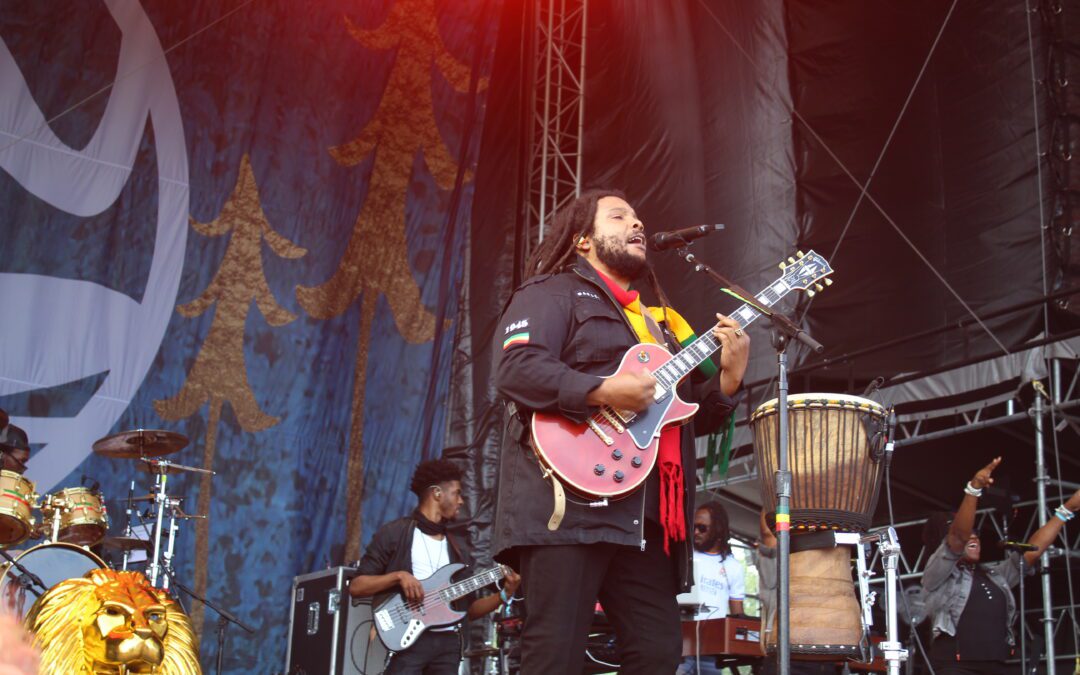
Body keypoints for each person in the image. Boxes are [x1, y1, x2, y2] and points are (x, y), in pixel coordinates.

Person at [491, 189, 750, 673]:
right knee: (555, 656)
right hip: (568, 506)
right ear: (584, 239)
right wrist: (604, 391)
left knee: (657, 654)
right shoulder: (551, 292)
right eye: (619, 216)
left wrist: (728, 382)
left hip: (643, 517)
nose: (638, 225)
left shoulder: (659, 326)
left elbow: (686, 415)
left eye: (638, 219)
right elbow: (516, 369)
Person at [350, 458, 521, 675]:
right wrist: (399, 576)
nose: (460, 501)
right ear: (437, 493)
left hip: (448, 645)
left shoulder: (458, 546)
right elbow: (357, 586)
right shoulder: (395, 534)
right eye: (457, 493)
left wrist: (505, 594)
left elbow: (468, 610)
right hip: (409, 641)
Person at [921, 456, 1080, 675]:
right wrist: (974, 489)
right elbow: (958, 536)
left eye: (975, 533)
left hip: (997, 665)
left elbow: (1033, 551)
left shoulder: (994, 575)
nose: (973, 537)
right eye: (969, 534)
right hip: (955, 667)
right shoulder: (938, 572)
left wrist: (1066, 510)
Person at [678, 501, 745, 675]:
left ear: (718, 530)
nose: (695, 532)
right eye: (693, 527)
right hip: (680, 646)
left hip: (712, 651)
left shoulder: (733, 566)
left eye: (702, 528)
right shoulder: (685, 556)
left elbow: (737, 614)